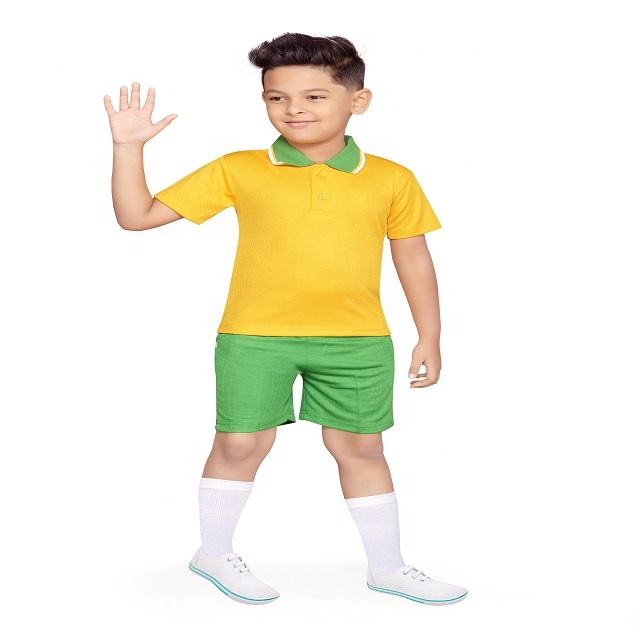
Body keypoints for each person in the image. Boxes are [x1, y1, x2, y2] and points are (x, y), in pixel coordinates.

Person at [105, 32, 468, 606]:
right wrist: (128, 148)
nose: (293, 109)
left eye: (314, 97)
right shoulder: (239, 168)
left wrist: (431, 335)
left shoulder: (392, 177)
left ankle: (388, 566)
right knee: (241, 442)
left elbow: (414, 259)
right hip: (254, 337)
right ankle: (213, 553)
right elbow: (137, 216)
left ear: (358, 100)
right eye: (277, 98)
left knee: (362, 448)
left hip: (357, 340)